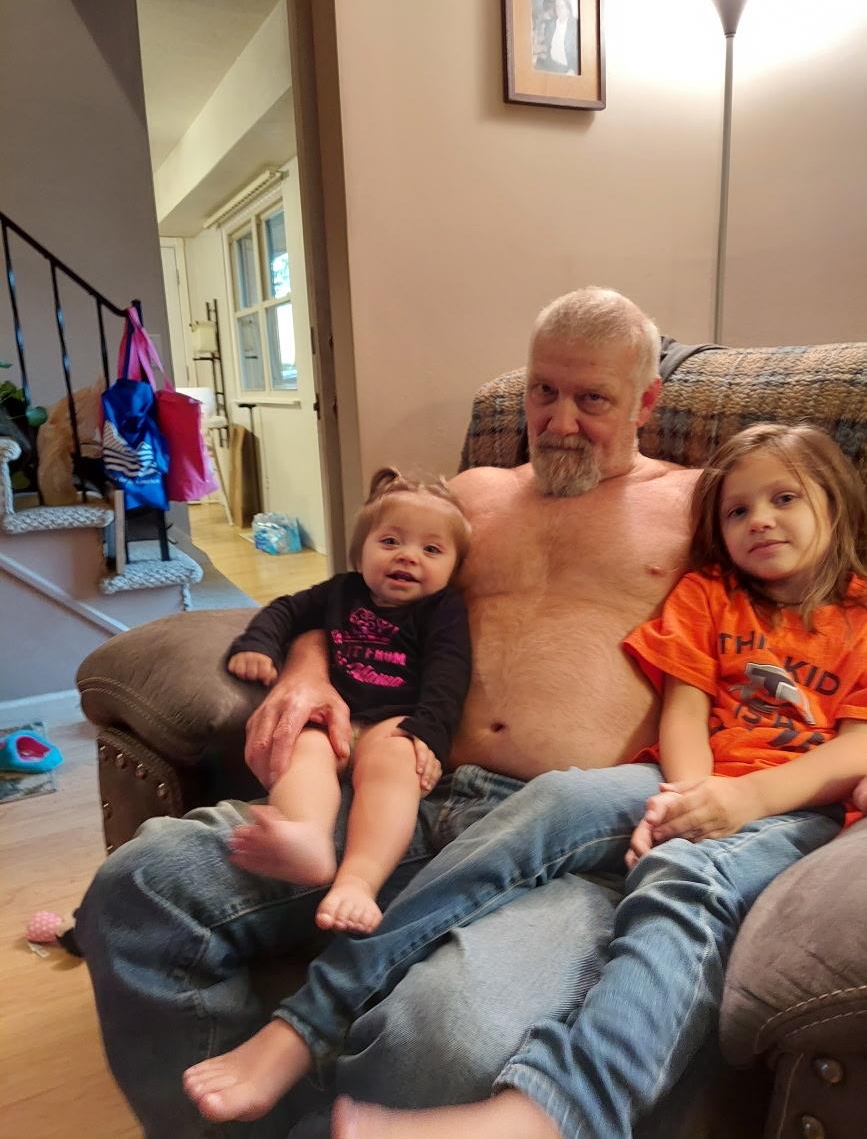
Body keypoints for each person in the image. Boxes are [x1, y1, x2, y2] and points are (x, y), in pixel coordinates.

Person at [76, 286, 698, 1138]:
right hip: (399, 789)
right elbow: (347, 601)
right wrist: (305, 669)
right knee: (139, 889)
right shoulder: (470, 499)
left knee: (437, 1039)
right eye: (542, 391)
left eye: (593, 399)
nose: (558, 422)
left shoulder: (704, 508)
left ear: (647, 401)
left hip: (562, 847)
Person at [183, 424, 866, 1136]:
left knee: (683, 881)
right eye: (735, 510)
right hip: (682, 783)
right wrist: (684, 799)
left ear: (836, 504)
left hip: (793, 811)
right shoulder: (707, 594)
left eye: (783, 498)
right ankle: (307, 1022)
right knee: (556, 797)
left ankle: (556, 1110)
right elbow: (683, 712)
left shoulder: (859, 613)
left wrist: (734, 805)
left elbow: (855, 752)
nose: (758, 519)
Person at [224, 466, 471, 935]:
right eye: (391, 541)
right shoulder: (341, 591)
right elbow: (284, 610)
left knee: (397, 761)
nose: (408, 557)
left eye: (432, 549)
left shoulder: (444, 610)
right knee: (302, 746)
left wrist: (429, 735)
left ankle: (358, 881)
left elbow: (449, 675)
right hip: (332, 714)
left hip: (391, 720)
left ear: (454, 568)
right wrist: (257, 645)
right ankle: (309, 839)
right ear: (360, 552)